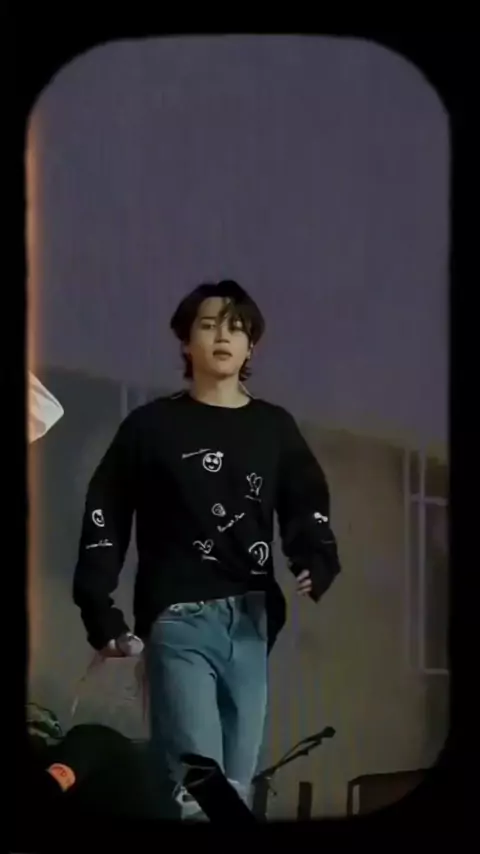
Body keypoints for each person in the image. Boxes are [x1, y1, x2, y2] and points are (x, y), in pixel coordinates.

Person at [72, 280, 341, 820]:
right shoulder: (151, 427)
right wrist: (100, 611)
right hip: (179, 617)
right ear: (185, 341)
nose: (223, 336)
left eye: (236, 327)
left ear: (251, 347)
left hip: (251, 621)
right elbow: (106, 509)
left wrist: (314, 555)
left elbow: (306, 497)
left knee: (234, 789)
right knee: (200, 788)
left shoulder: (273, 427)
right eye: (209, 324)